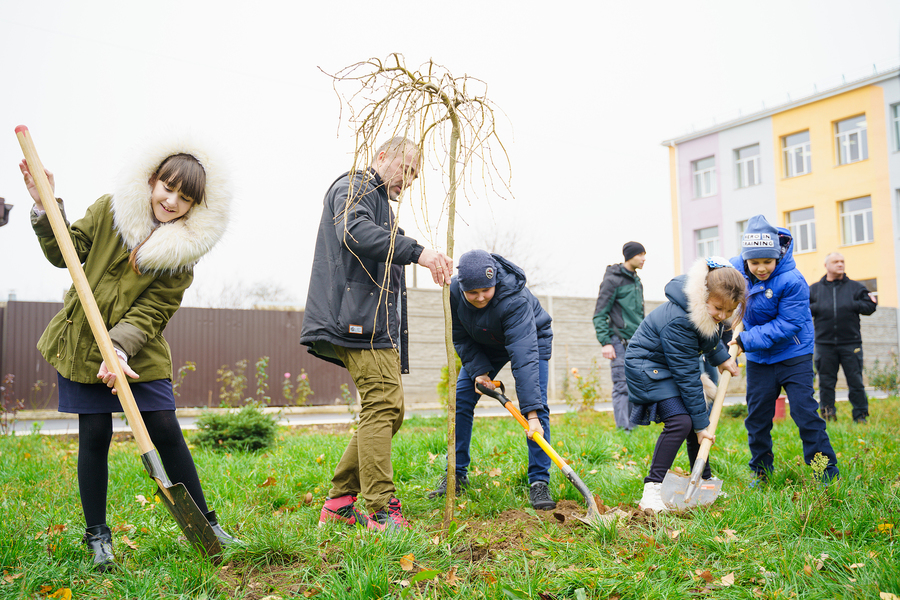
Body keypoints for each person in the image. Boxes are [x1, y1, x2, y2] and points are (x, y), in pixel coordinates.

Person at [21, 135, 237, 572]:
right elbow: (68, 252)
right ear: (153, 181)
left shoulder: (182, 253)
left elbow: (154, 308)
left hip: (139, 349)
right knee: (95, 435)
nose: (172, 201)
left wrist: (118, 348)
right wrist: (46, 208)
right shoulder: (110, 209)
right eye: (168, 187)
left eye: (186, 197)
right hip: (83, 342)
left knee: (165, 427)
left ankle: (206, 524)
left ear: (196, 206)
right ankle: (98, 536)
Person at [301, 137, 452, 531]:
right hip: (355, 323)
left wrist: (421, 252)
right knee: (383, 404)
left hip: (372, 326)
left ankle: (339, 501)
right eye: (407, 168)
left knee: (388, 409)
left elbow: (387, 248)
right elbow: (354, 233)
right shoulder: (354, 186)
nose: (410, 179)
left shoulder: (379, 202)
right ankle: (380, 508)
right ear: (382, 156)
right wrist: (420, 253)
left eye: (416, 174)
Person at [428, 250, 556, 510]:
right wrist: (479, 371)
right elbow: (460, 336)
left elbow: (524, 357)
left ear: (495, 281)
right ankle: (456, 474)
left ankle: (539, 480)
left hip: (531, 340)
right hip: (483, 344)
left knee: (538, 408)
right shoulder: (452, 294)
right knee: (462, 399)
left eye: (486, 290)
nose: (480, 297)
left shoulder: (514, 299)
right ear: (461, 287)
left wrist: (531, 415)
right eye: (472, 292)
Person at [625, 257, 743, 512]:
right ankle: (652, 489)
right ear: (704, 296)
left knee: (693, 422)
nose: (723, 316)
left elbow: (708, 338)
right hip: (648, 368)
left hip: (669, 366)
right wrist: (702, 426)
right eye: (718, 309)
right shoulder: (680, 319)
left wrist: (722, 359)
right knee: (683, 422)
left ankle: (704, 480)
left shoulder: (704, 310)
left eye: (730, 311)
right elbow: (688, 378)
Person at [729, 215, 839, 483]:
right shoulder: (735, 272)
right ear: (745, 259)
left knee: (804, 413)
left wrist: (746, 341)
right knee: (757, 418)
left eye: (767, 261)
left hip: (793, 355)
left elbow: (789, 324)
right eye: (755, 262)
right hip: (759, 360)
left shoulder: (792, 280)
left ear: (777, 255)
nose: (761, 268)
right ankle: (761, 472)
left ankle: (824, 472)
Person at [809, 253, 877, 423]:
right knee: (825, 382)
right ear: (826, 265)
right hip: (824, 345)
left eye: (842, 261)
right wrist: (818, 307)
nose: (840, 264)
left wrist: (852, 304)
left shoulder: (856, 287)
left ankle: (861, 416)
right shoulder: (815, 289)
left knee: (855, 381)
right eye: (836, 261)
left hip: (851, 343)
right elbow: (802, 309)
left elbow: (871, 306)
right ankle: (827, 414)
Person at [593, 241, 646, 431]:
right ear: (629, 256)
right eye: (640, 254)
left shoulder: (636, 280)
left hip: (637, 342)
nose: (643, 258)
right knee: (622, 385)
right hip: (618, 341)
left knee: (635, 385)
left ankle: (633, 427)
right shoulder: (613, 280)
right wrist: (606, 342)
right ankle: (624, 430)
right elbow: (600, 313)